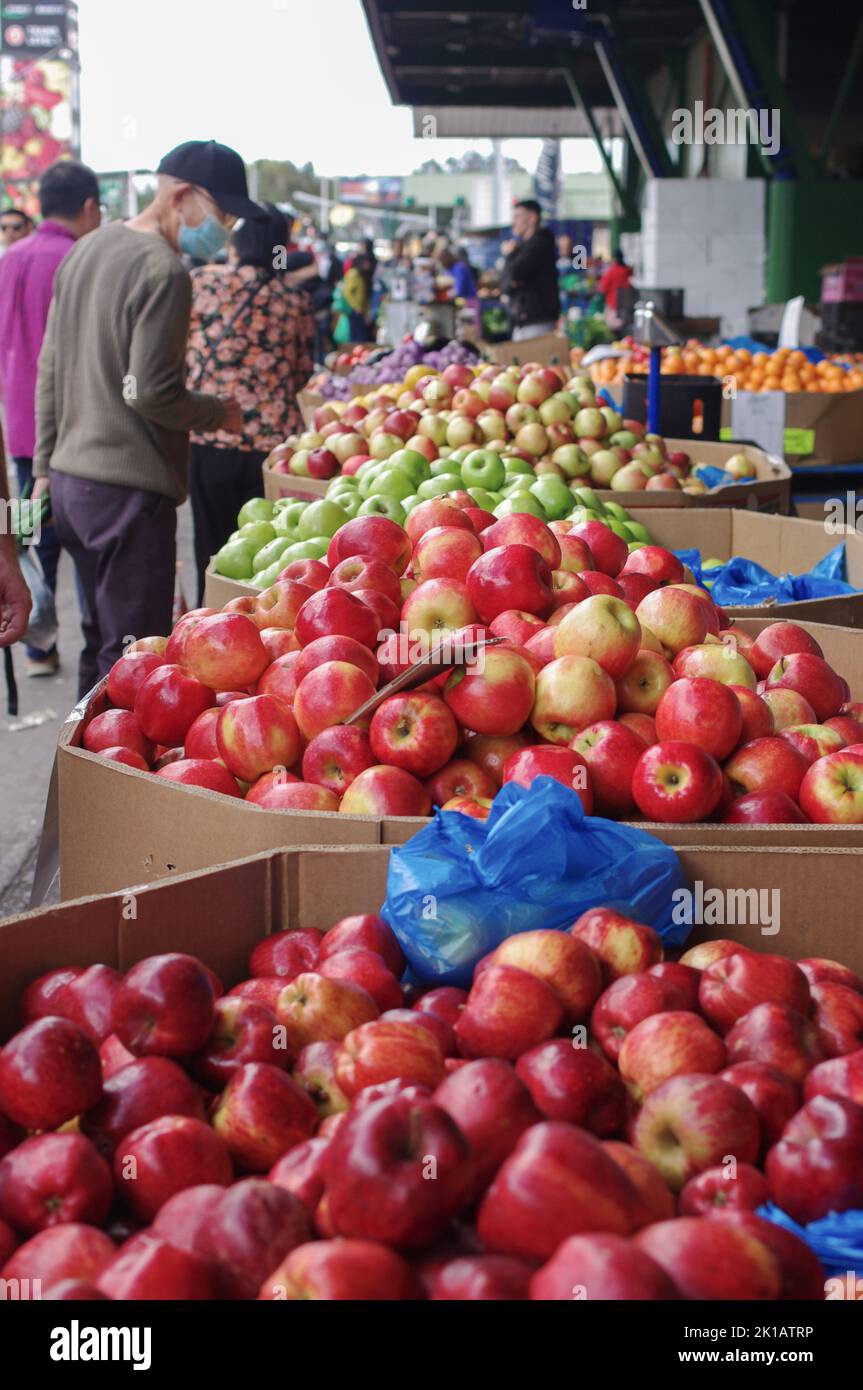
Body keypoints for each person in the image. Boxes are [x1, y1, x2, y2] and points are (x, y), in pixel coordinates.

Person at [32, 139, 252, 698]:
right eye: (221, 213)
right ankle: (107, 780)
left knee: (100, 642)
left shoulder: (85, 248)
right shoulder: (163, 270)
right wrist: (216, 411)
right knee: (134, 658)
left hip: (73, 485)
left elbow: (50, 367)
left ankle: (81, 772)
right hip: (128, 495)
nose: (224, 227)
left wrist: (42, 466)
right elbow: (151, 394)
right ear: (181, 196)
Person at [0, 160, 101, 675]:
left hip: (15, 431)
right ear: (88, 206)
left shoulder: (7, 259)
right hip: (72, 435)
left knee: (27, 534)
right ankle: (97, 647)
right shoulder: (82, 259)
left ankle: (39, 644)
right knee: (84, 542)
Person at [186, 203, 315, 602]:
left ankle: (209, 618)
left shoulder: (202, 283)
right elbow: (301, 375)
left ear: (237, 243)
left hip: (211, 436)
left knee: (212, 550)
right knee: (265, 551)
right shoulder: (293, 302)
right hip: (269, 450)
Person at [500, 199, 560, 341]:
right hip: (524, 322)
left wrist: (509, 254)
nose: (514, 222)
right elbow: (507, 284)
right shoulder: (524, 247)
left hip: (536, 322)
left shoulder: (539, 244)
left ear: (532, 217)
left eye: (518, 216)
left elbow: (515, 273)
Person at [599, 248, 633, 329]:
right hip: (627, 307)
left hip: (613, 306)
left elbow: (602, 288)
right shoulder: (627, 271)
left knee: (612, 330)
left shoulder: (611, 271)